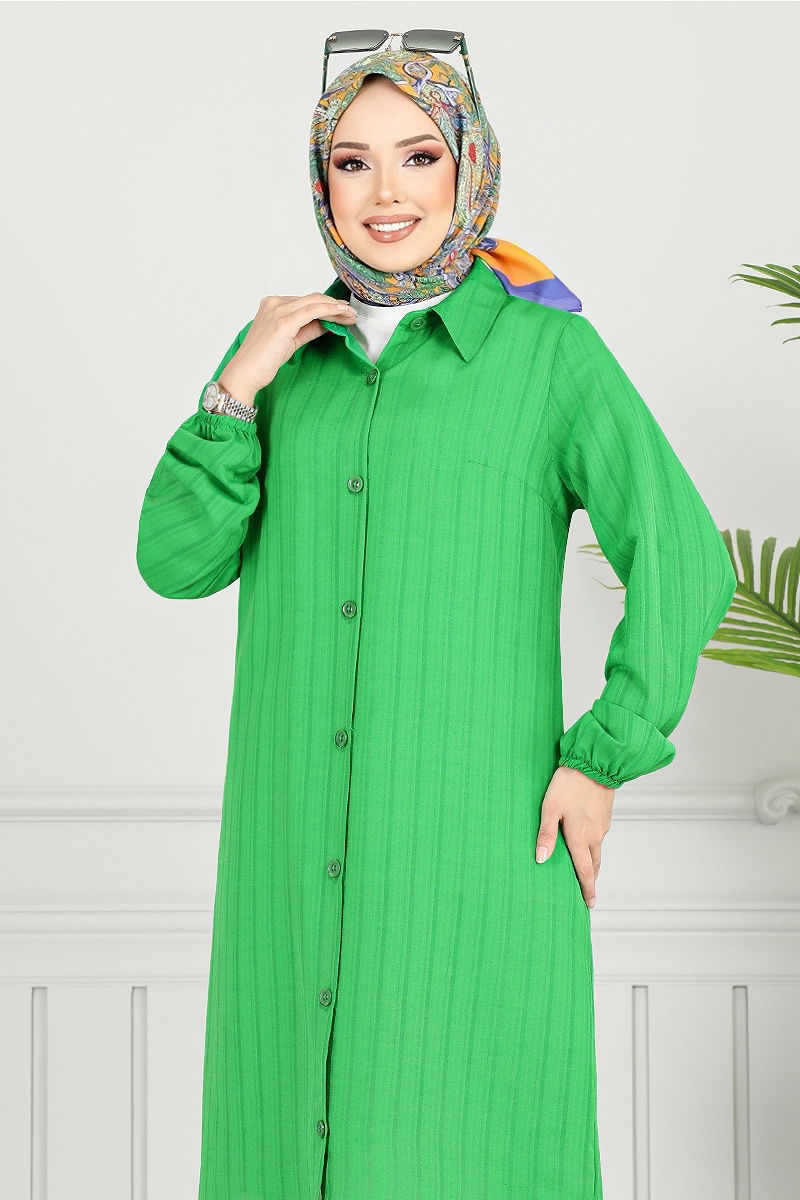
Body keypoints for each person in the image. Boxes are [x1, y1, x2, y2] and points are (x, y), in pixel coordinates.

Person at [136, 44, 736, 1200]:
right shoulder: (278, 359)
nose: (385, 193)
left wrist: (601, 757)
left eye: (417, 157)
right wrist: (236, 388)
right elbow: (175, 561)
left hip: (476, 844)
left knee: (469, 1145)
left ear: (469, 167)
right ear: (319, 183)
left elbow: (682, 557)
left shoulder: (548, 353)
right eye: (350, 162)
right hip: (286, 850)